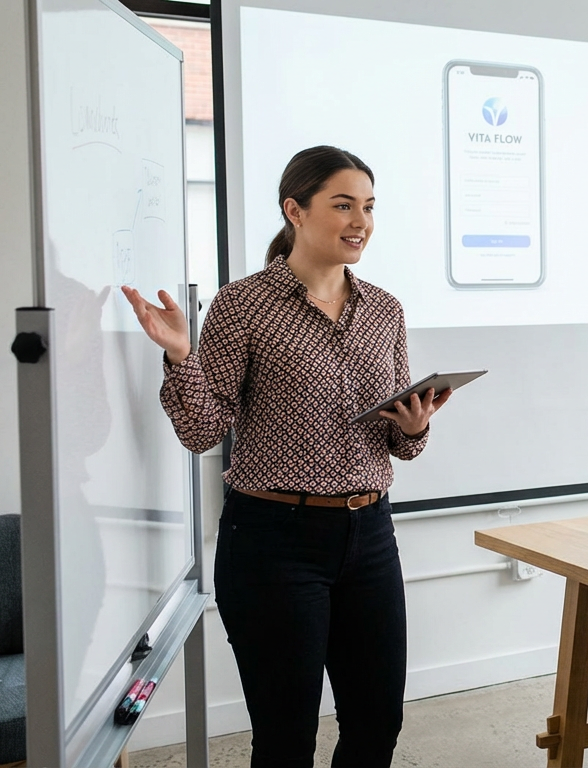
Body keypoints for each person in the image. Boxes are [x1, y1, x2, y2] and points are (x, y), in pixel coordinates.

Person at [123, 146, 451, 767]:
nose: (361, 221)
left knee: (378, 723)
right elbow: (201, 430)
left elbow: (402, 445)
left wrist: (414, 424)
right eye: (343, 205)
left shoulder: (385, 310)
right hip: (274, 541)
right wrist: (179, 357)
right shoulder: (244, 304)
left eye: (370, 207)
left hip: (370, 535)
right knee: (285, 737)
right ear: (294, 211)